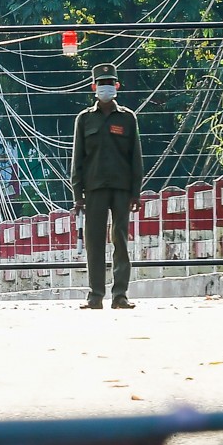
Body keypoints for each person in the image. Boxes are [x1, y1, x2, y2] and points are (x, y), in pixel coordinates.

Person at [71, 62, 144, 309]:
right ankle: (95, 296)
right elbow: (77, 159)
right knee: (94, 242)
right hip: (93, 189)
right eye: (101, 84)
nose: (105, 87)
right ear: (94, 87)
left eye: (109, 83)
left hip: (122, 188)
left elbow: (136, 158)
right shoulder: (84, 119)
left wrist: (136, 192)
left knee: (120, 241)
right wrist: (77, 194)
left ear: (117, 86)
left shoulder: (127, 118)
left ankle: (120, 295)